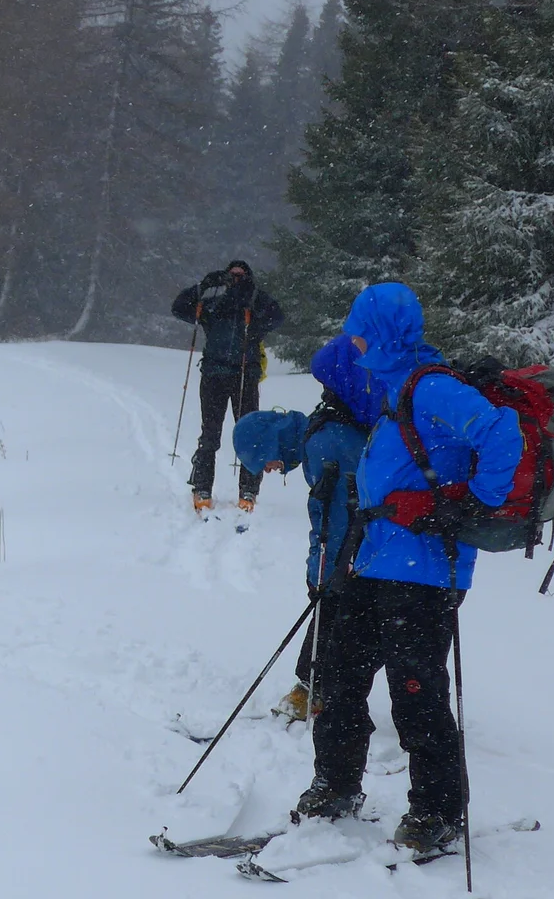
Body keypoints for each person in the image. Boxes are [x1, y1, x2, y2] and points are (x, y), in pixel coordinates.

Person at [296, 282, 521, 852]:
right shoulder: (394, 388)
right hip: (372, 564)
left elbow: (502, 434)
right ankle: (336, 785)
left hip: (423, 573)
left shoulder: (432, 387)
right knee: (341, 675)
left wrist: (466, 504)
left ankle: (438, 812)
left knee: (416, 694)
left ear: (383, 331)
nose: (355, 339)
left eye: (360, 328)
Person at [232, 334, 381, 723]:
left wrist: (320, 572)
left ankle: (313, 691)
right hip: (378, 540)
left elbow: (332, 519)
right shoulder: (324, 426)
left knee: (334, 608)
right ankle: (320, 691)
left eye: (264, 461)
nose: (270, 469)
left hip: (365, 546)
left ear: (269, 443)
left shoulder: (322, 446)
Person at [171, 259, 285, 513]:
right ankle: (202, 487)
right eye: (231, 276)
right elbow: (179, 308)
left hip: (245, 375)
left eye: (241, 276)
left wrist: (253, 294)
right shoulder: (214, 305)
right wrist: (202, 287)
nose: (236, 280)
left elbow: (278, 317)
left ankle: (248, 490)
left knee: (249, 433)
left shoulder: (254, 307)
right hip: (213, 374)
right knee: (210, 434)